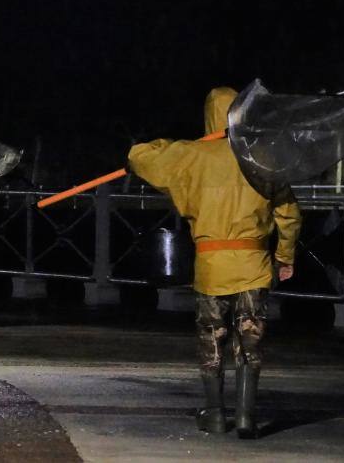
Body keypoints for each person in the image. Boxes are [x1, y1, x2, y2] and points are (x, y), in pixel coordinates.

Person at [127, 86, 302, 438]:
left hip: (211, 266)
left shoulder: (190, 156)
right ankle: (247, 417)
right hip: (254, 264)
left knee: (211, 339)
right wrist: (284, 256)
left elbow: (138, 155)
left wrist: (172, 145)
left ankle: (216, 415)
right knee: (250, 340)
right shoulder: (260, 158)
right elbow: (290, 214)